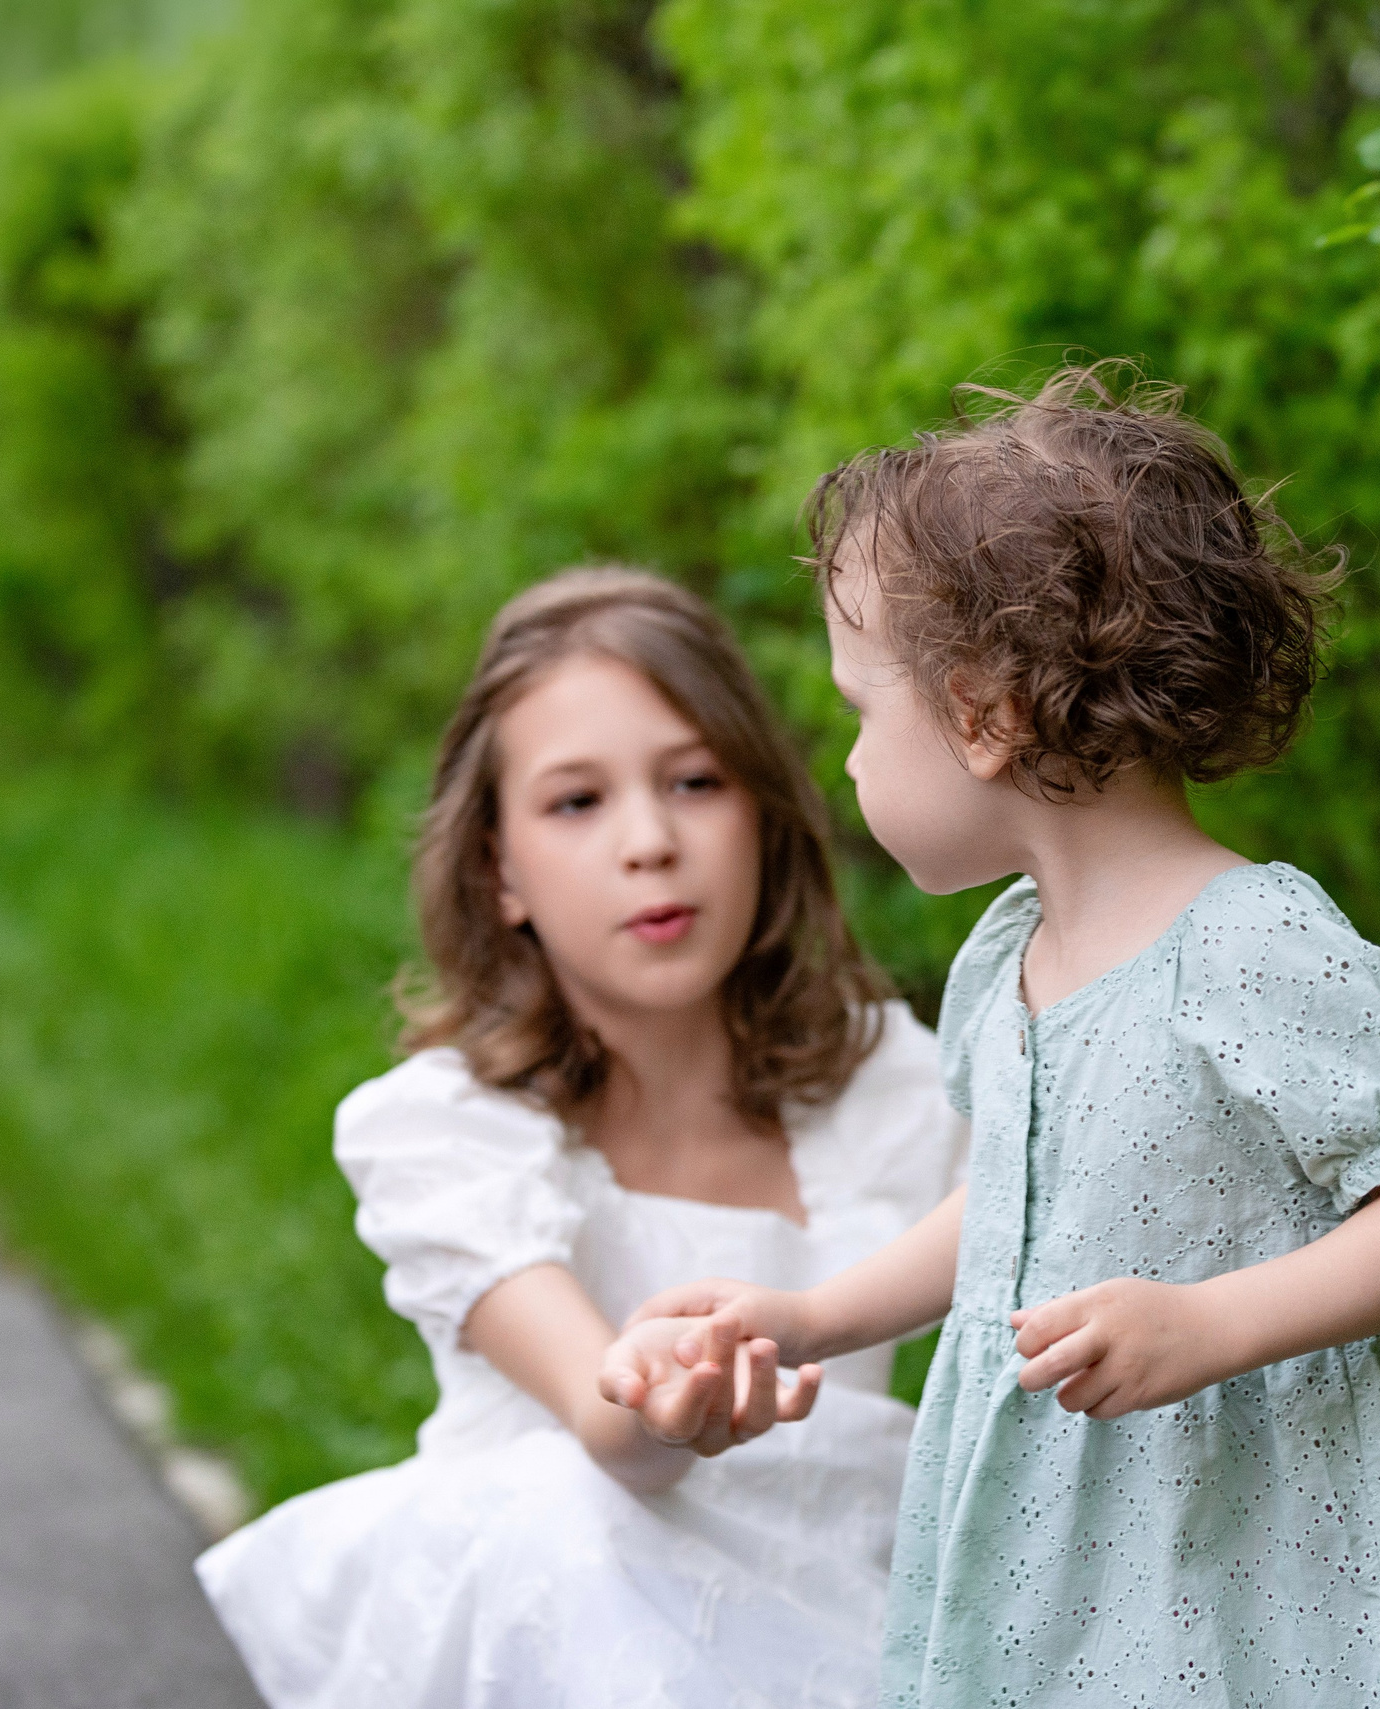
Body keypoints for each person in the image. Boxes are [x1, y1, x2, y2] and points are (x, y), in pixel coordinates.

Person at [606, 367, 1380, 1706]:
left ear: (984, 716)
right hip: (1073, 1541)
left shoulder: (1250, 945)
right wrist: (810, 1314)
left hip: (1259, 1549)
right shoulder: (1007, 957)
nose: (849, 761)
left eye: (864, 711)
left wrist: (1211, 1323)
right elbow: (1003, 1213)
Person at [196, 568, 970, 1709]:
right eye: (576, 802)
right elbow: (614, 1433)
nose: (649, 842)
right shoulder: (448, 1129)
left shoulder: (890, 1083)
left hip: (841, 1588)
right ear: (498, 868)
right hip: (565, 1617)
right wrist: (665, 1399)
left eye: (695, 781)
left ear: (761, 810)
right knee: (569, 1508)